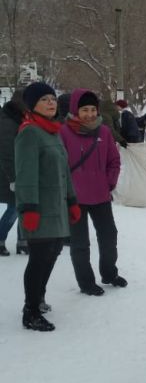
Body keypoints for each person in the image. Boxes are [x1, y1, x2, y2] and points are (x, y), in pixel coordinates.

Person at [15, 82, 81, 331]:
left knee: (52, 252)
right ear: (33, 105)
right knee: (39, 258)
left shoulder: (53, 130)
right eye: (44, 99)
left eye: (52, 98)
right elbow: (25, 174)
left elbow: (65, 171)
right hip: (40, 208)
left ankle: (38, 297)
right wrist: (29, 208)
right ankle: (30, 311)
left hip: (57, 206)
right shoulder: (29, 133)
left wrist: (72, 201)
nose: (51, 103)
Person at [60, 88, 125, 296]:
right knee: (80, 243)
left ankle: (109, 273)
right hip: (74, 198)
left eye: (92, 110)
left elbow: (114, 160)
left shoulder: (104, 132)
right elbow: (59, 166)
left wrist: (109, 182)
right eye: (84, 110)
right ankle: (86, 282)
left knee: (109, 236)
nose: (89, 114)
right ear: (75, 110)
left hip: (100, 195)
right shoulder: (63, 132)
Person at [0, 89, 29, 256]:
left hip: (21, 170)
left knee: (23, 206)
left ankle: (23, 241)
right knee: (15, 208)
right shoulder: (8, 121)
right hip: (10, 172)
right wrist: (12, 178)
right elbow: (6, 152)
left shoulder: (19, 118)